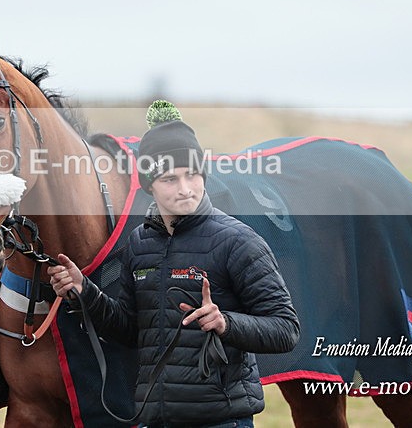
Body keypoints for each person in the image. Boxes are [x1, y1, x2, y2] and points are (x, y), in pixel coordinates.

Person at [47, 101, 300, 427]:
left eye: (192, 175)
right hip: (156, 418)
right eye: (169, 179)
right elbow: (131, 330)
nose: (185, 190)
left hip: (221, 420)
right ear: (149, 184)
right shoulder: (140, 244)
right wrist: (84, 292)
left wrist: (226, 323)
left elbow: (286, 329)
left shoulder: (239, 242)